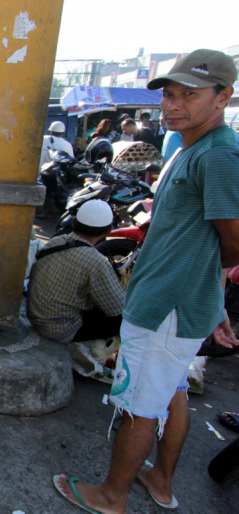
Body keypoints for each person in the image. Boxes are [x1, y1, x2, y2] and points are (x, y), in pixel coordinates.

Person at [54, 48, 239, 514]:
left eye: (189, 95)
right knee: (172, 392)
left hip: (166, 307)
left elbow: (235, 242)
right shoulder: (193, 147)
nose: (173, 105)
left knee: (139, 402)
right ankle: (159, 480)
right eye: (169, 94)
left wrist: (199, 293)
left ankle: (110, 495)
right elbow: (207, 243)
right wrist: (212, 299)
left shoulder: (218, 156)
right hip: (180, 304)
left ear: (223, 97)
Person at [27, 200, 125, 344]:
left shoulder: (56, 241)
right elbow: (117, 308)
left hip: (36, 317)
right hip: (60, 330)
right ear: (109, 231)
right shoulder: (96, 261)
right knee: (123, 321)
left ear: (73, 222)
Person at [37, 121, 75, 218]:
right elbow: (71, 162)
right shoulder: (67, 144)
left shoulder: (42, 139)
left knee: (41, 192)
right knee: (53, 193)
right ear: (62, 133)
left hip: (39, 172)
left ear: (50, 131)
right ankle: (50, 212)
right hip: (56, 175)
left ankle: (41, 212)